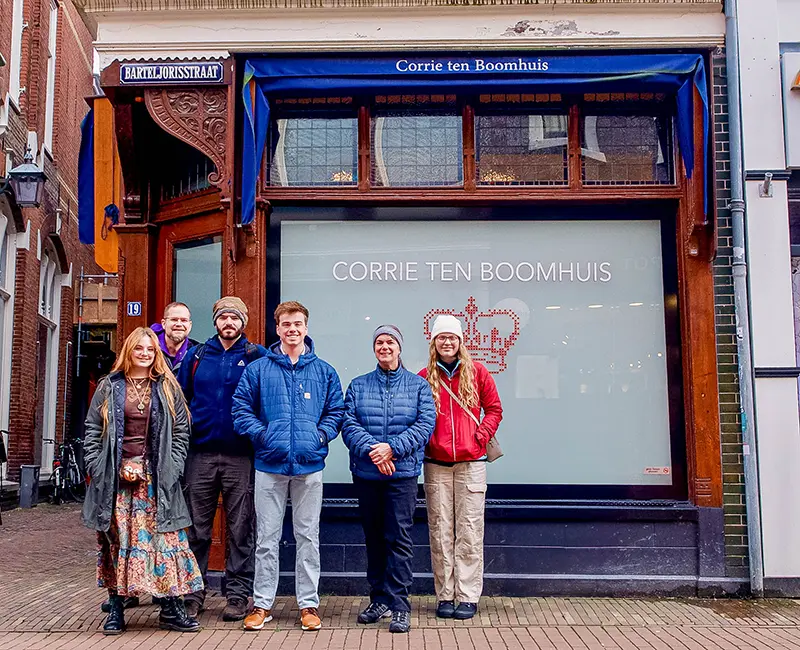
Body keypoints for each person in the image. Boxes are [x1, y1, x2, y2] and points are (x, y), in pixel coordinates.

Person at [82, 327, 203, 635]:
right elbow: (93, 430)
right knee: (119, 542)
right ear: (129, 352)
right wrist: (100, 468)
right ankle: (117, 610)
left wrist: (173, 468)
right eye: (140, 349)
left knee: (165, 541)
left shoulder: (166, 387)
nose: (146, 354)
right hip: (116, 481)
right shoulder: (109, 387)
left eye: (151, 350)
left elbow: (180, 433)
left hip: (156, 479)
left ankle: (171, 609)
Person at [232, 301, 344, 633]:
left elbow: (336, 411)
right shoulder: (258, 369)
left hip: (309, 466)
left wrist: (318, 436)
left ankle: (308, 605)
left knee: (308, 536)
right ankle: (262, 604)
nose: (292, 329)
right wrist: (262, 436)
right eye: (286, 324)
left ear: (306, 328)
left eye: (298, 324)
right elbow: (241, 409)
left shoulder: (324, 371)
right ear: (277, 329)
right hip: (269, 465)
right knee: (266, 538)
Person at [176, 296, 267, 621]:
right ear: (215, 322)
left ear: (243, 322)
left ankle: (238, 594)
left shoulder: (256, 357)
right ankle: (192, 594)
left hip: (241, 455)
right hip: (199, 453)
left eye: (234, 318)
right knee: (196, 529)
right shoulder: (196, 356)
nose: (229, 323)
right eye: (223, 318)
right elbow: (181, 399)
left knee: (240, 528)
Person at [341, 325, 435, 634]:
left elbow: (425, 424)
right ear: (374, 348)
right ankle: (378, 599)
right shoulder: (358, 385)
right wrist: (373, 451)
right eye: (379, 342)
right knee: (374, 538)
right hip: (367, 473)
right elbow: (349, 423)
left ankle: (400, 606)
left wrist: (392, 449)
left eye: (390, 342)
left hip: (402, 474)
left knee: (399, 538)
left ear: (399, 347)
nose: (384, 347)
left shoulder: (418, 386)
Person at [420, 314, 503, 620]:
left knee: (469, 531)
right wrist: (429, 440)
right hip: (436, 464)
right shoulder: (423, 376)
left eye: (452, 337)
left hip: (471, 464)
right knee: (440, 531)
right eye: (441, 337)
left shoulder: (478, 372)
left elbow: (494, 409)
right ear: (434, 342)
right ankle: (444, 594)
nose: (447, 342)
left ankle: (467, 596)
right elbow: (418, 416)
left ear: (460, 341)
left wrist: (480, 436)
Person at [151, 302, 198, 371]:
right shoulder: (149, 348)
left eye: (184, 320)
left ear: (190, 325)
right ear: (164, 324)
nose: (179, 324)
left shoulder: (198, 354)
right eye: (174, 320)